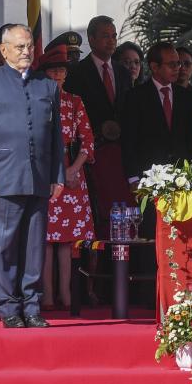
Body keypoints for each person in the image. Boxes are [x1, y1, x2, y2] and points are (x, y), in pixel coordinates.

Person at [0, 24, 65, 328]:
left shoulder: (46, 85)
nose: (26, 52)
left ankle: (32, 306)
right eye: (19, 47)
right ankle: (8, 306)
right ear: (3, 50)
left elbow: (56, 136)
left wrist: (58, 175)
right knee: (4, 245)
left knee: (34, 246)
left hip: (39, 176)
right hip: (3, 175)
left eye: (29, 46)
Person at [37, 45, 95, 310]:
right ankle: (47, 295)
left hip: (72, 172)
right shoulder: (34, 102)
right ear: (44, 74)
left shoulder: (75, 101)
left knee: (67, 240)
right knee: (45, 239)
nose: (58, 75)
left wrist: (74, 169)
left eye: (62, 70)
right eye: (53, 71)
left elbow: (88, 141)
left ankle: (67, 293)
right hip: (44, 173)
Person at [64, 16, 133, 233]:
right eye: (105, 36)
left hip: (120, 151)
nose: (111, 41)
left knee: (120, 203)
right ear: (91, 39)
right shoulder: (77, 72)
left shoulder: (122, 72)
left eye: (114, 36)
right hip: (92, 151)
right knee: (99, 207)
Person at [122, 42, 192, 234]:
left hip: (181, 177)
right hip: (148, 177)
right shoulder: (136, 96)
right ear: (154, 67)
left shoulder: (186, 97)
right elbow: (129, 140)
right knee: (151, 232)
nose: (177, 68)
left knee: (182, 232)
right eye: (172, 64)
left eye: (178, 63)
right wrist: (133, 177)